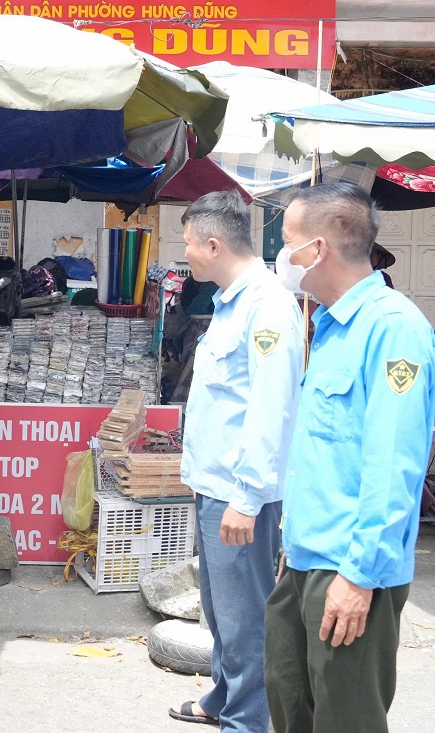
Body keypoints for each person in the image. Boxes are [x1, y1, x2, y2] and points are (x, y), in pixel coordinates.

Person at [265, 182, 435, 733]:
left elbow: (393, 467)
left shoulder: (393, 329)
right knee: (290, 703)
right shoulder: (333, 324)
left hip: (351, 568)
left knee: (345, 719)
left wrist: (359, 577)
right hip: (306, 557)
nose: (280, 258)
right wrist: (293, 542)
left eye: (287, 243)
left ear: (318, 250)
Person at [169, 191, 304, 732]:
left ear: (213, 244)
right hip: (214, 485)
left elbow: (273, 411)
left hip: (237, 493)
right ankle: (225, 697)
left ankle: (247, 721)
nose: (186, 256)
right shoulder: (232, 301)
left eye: (187, 245)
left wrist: (246, 499)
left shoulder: (267, 305)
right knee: (221, 609)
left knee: (245, 614)